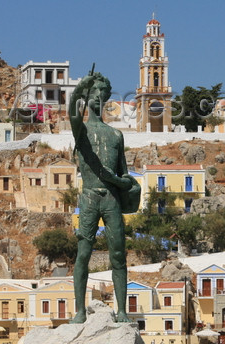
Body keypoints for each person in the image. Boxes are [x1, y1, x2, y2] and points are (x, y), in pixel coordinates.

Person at [69, 72, 136, 324]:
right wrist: (80, 88)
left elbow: (125, 176)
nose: (97, 98)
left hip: (111, 199)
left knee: (118, 254)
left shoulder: (115, 136)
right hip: (88, 198)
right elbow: (72, 113)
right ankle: (80, 312)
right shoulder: (81, 130)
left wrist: (117, 181)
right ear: (87, 97)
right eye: (93, 93)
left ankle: (122, 312)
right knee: (83, 254)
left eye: (102, 94)